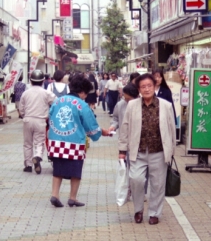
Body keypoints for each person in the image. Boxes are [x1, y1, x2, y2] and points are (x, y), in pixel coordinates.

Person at [118, 73, 176, 225]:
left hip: (159, 151)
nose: (147, 89)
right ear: (138, 89)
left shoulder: (165, 105)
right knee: (136, 180)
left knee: (157, 184)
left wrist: (171, 151)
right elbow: (125, 127)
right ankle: (138, 210)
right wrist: (122, 150)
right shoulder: (132, 105)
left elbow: (171, 129)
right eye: (143, 87)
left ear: (155, 86)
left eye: (149, 85)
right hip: (138, 151)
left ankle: (154, 213)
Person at [47, 76, 110, 208]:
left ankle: (55, 195)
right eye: (86, 94)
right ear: (82, 91)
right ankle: (72, 198)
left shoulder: (57, 101)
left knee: (58, 170)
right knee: (76, 171)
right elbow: (90, 125)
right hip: (74, 143)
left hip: (55, 142)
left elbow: (50, 118)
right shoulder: (82, 105)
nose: (86, 97)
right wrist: (101, 132)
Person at [19, 70, 55, 174]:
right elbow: (56, 102)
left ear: (30, 81)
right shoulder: (46, 93)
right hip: (41, 120)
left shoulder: (25, 93)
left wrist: (23, 115)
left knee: (27, 143)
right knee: (39, 142)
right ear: (43, 81)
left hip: (27, 119)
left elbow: (21, 108)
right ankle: (38, 156)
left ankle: (28, 165)